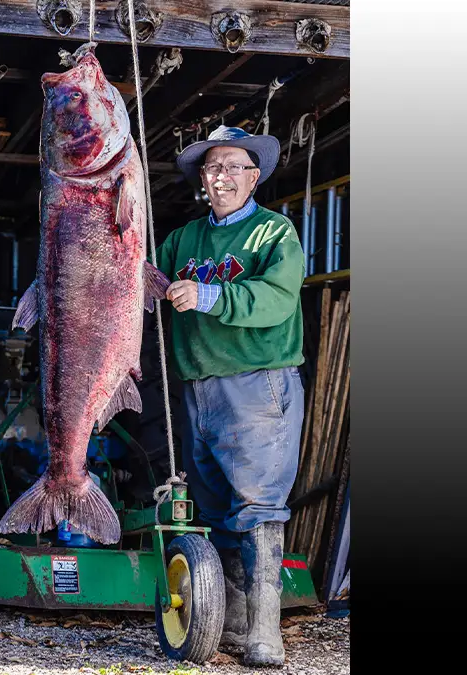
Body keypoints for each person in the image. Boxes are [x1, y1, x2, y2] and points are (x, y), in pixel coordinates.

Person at [154, 126, 307, 667]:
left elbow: (277, 299)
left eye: (235, 167)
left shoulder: (275, 234)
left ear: (255, 175)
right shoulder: (182, 240)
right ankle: (235, 626)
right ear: (203, 178)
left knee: (258, 507)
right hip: (199, 385)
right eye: (214, 167)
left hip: (256, 383)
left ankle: (267, 634)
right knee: (217, 509)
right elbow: (147, 286)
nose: (223, 176)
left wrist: (208, 294)